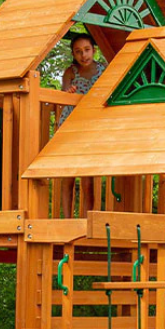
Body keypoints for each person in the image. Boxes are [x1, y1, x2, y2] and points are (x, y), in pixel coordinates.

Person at [58, 32, 104, 217]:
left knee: (87, 177)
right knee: (67, 174)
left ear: (94, 50)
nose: (83, 55)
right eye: (78, 51)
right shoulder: (71, 72)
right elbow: (64, 91)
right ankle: (67, 219)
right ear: (73, 54)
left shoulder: (103, 70)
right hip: (70, 124)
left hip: (90, 125)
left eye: (86, 50)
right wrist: (68, 91)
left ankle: (86, 219)